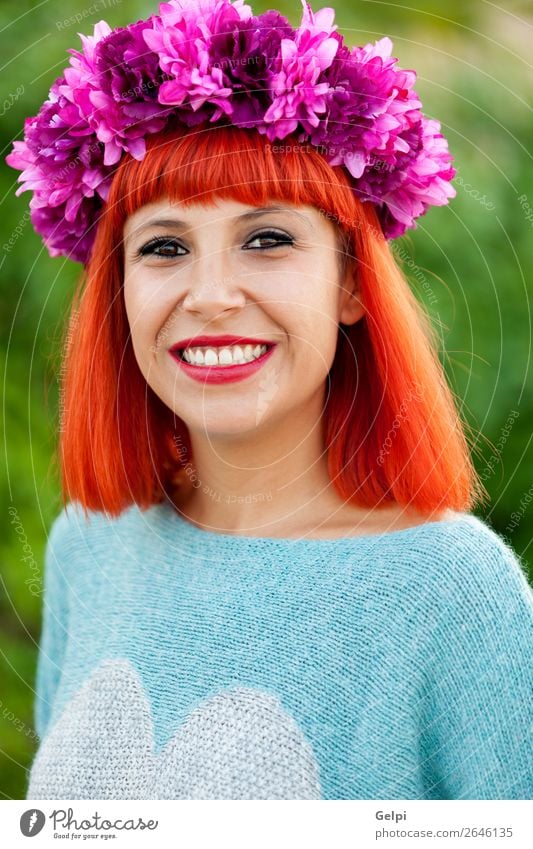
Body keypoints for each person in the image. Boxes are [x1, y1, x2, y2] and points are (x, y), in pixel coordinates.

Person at [7, 0, 533, 801]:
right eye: (164, 247)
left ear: (351, 282)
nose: (211, 296)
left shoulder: (452, 593)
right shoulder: (92, 543)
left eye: (267, 238)